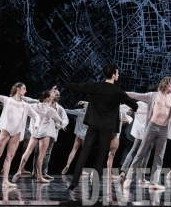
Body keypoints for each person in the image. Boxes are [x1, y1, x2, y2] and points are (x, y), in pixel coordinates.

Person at [54, 65, 139, 194]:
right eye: (118, 73)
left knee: (84, 153)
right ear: (114, 75)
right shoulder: (117, 92)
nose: (119, 75)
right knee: (100, 156)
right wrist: (133, 109)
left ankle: (74, 183)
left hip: (93, 126)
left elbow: (78, 87)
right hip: (107, 129)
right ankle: (95, 186)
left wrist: (61, 84)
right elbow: (134, 104)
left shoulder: (96, 87)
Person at [123, 77, 171, 190]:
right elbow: (137, 95)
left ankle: (154, 182)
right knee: (141, 152)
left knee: (159, 156)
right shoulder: (153, 95)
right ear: (166, 84)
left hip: (163, 129)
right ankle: (129, 177)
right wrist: (122, 93)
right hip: (152, 126)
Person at [13, 90, 65, 182]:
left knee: (27, 152)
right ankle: (39, 177)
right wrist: (61, 126)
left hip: (35, 133)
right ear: (48, 98)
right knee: (41, 156)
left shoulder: (34, 106)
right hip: (44, 135)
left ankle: (19, 170)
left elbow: (24, 104)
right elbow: (60, 121)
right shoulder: (51, 110)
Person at [62, 101, 88, 174]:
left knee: (74, 150)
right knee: (83, 152)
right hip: (85, 135)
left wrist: (58, 109)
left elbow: (68, 111)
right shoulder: (92, 114)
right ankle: (81, 169)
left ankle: (68, 165)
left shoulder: (80, 112)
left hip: (79, 134)